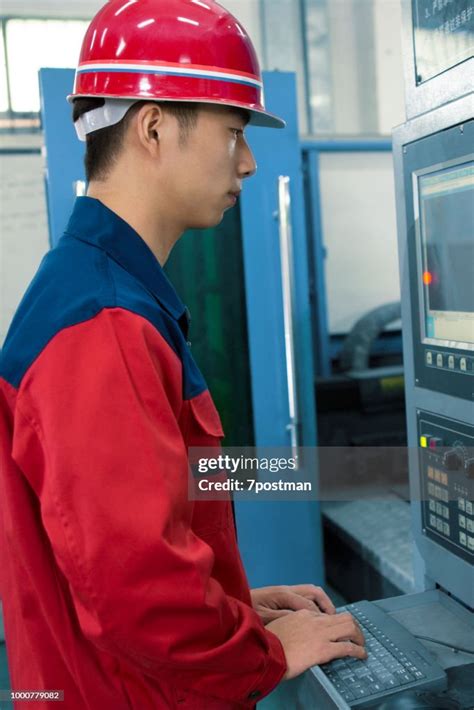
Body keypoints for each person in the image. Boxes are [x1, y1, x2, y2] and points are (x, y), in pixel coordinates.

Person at [0, 1, 366, 708]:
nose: (251, 162)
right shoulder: (102, 327)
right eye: (233, 133)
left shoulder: (105, 295)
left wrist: (233, 606)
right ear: (154, 127)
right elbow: (136, 597)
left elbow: (115, 555)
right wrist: (256, 652)